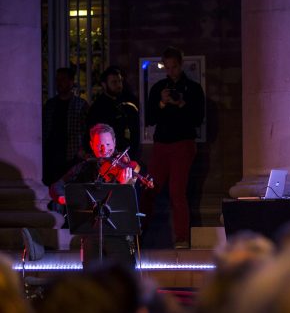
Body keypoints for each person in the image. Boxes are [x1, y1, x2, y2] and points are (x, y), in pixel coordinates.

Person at [49, 123, 138, 270]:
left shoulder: (124, 166)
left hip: (119, 235)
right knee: (92, 280)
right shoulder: (84, 166)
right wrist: (63, 199)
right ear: (92, 145)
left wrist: (124, 184)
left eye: (108, 144)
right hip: (91, 233)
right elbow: (55, 187)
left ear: (115, 142)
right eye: (99, 145)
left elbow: (130, 202)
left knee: (122, 280)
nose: (104, 150)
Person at [142, 47, 205, 249]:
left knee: (177, 191)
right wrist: (161, 102)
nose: (171, 71)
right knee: (148, 189)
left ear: (181, 64)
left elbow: (198, 118)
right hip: (161, 145)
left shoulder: (193, 88)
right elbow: (150, 119)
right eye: (167, 68)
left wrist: (181, 103)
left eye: (174, 67)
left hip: (183, 144)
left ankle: (181, 238)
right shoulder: (159, 88)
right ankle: (137, 234)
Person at [42, 67, 89, 186]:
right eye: (57, 80)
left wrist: (82, 150)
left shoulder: (80, 105)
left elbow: (87, 130)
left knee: (70, 189)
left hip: (72, 155)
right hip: (52, 156)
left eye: (63, 79)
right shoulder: (50, 105)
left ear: (71, 82)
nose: (59, 83)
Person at [87, 66, 141, 159]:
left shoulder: (128, 102)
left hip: (127, 154)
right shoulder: (98, 107)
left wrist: (133, 155)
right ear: (104, 84)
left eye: (120, 81)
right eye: (114, 82)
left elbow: (135, 130)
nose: (118, 85)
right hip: (106, 155)